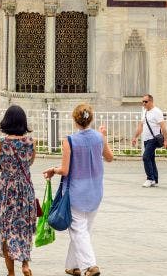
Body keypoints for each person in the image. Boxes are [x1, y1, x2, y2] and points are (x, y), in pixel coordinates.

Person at [44, 103, 114, 276]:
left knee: (79, 231)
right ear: (91, 119)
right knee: (84, 230)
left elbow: (65, 170)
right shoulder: (99, 137)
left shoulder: (69, 141)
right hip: (95, 191)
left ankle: (90, 266)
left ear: (74, 120)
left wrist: (53, 170)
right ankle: (72, 265)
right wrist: (104, 137)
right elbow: (110, 157)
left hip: (75, 193)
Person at [0, 105, 36, 276]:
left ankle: (11, 272)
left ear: (6, 121)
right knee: (23, 227)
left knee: (6, 230)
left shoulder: (0, 143)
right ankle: (25, 264)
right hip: (25, 189)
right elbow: (30, 163)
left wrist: (8, 170)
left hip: (6, 190)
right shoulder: (31, 142)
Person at [130, 94, 167, 187]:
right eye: (142, 101)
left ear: (151, 101)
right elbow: (141, 126)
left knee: (145, 157)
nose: (143, 103)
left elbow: (163, 127)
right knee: (151, 159)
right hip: (146, 139)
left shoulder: (157, 112)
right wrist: (135, 137)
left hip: (153, 139)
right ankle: (154, 179)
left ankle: (149, 178)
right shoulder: (144, 111)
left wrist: (166, 140)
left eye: (145, 102)